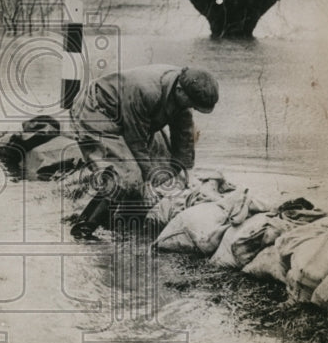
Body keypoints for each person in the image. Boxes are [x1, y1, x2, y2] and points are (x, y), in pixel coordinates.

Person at [69, 64, 219, 239]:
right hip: (96, 111)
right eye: (192, 104)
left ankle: (121, 224)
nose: (191, 108)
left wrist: (187, 172)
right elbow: (136, 141)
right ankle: (84, 227)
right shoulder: (146, 90)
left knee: (163, 169)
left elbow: (183, 137)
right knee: (128, 175)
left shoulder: (181, 97)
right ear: (180, 90)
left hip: (129, 120)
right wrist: (146, 183)